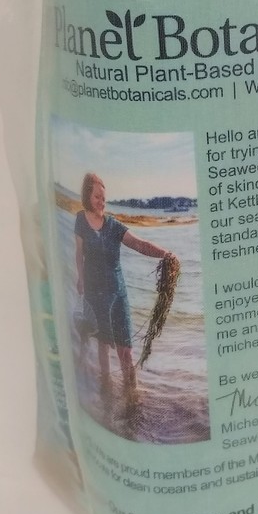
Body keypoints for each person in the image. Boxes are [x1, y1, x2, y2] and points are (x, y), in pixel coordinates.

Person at [74, 172, 172, 406]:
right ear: (88, 196)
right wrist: (80, 278)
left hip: (118, 293)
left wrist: (165, 255)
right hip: (95, 292)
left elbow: (139, 244)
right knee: (103, 345)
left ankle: (132, 398)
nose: (102, 202)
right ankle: (106, 394)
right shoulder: (80, 220)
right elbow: (79, 253)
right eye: (97, 197)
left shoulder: (114, 226)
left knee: (125, 349)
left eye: (104, 198)